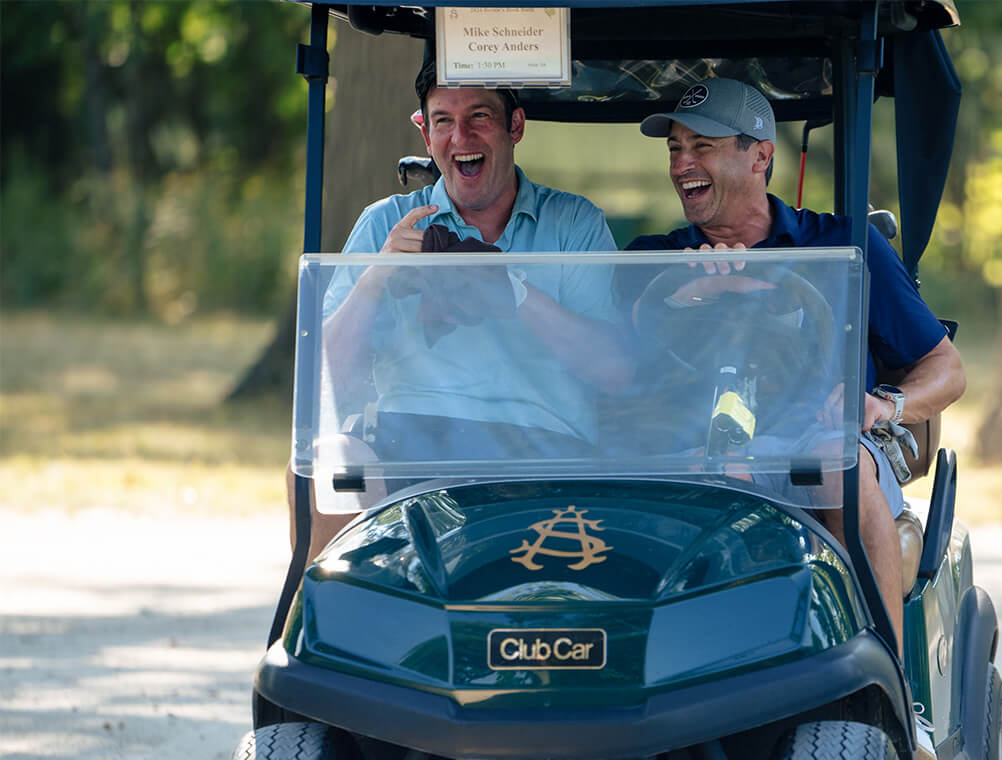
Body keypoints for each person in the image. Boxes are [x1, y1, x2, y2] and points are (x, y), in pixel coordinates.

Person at [626, 77, 967, 665]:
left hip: (820, 442)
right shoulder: (655, 259)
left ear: (760, 155)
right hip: (701, 451)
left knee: (839, 464)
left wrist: (882, 405)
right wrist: (688, 292)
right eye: (675, 149)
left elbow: (947, 368)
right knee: (708, 478)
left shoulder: (843, 244)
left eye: (702, 146)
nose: (683, 163)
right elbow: (617, 363)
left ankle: (884, 678)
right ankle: (684, 673)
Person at [291, 61, 631, 555]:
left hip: (542, 452)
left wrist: (514, 293)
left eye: (479, 117)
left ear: (515, 126)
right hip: (409, 446)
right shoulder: (386, 222)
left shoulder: (573, 223)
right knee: (327, 461)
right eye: (443, 121)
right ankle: (319, 622)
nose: (461, 136)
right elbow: (324, 384)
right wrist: (376, 276)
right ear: (424, 131)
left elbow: (615, 372)